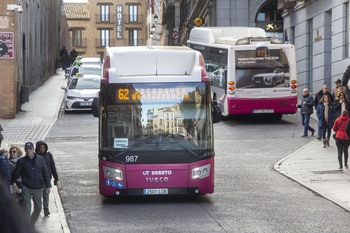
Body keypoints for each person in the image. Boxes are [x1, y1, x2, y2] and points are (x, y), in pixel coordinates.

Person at [14, 142, 51, 226]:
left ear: (33, 150)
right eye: (27, 149)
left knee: (38, 208)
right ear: (24, 150)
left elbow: (45, 173)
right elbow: (16, 175)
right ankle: (27, 226)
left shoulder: (40, 159)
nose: (28, 151)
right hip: (26, 187)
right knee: (27, 208)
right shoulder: (21, 161)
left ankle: (31, 223)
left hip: (38, 187)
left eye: (30, 149)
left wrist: (48, 185)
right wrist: (21, 185)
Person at [35, 141, 58, 216]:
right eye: (40, 148)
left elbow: (52, 166)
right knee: (37, 194)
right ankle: (37, 208)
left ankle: (46, 208)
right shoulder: (35, 156)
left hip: (47, 177)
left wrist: (56, 178)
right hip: (37, 178)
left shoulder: (49, 155)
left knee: (46, 193)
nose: (42, 149)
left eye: (43, 147)